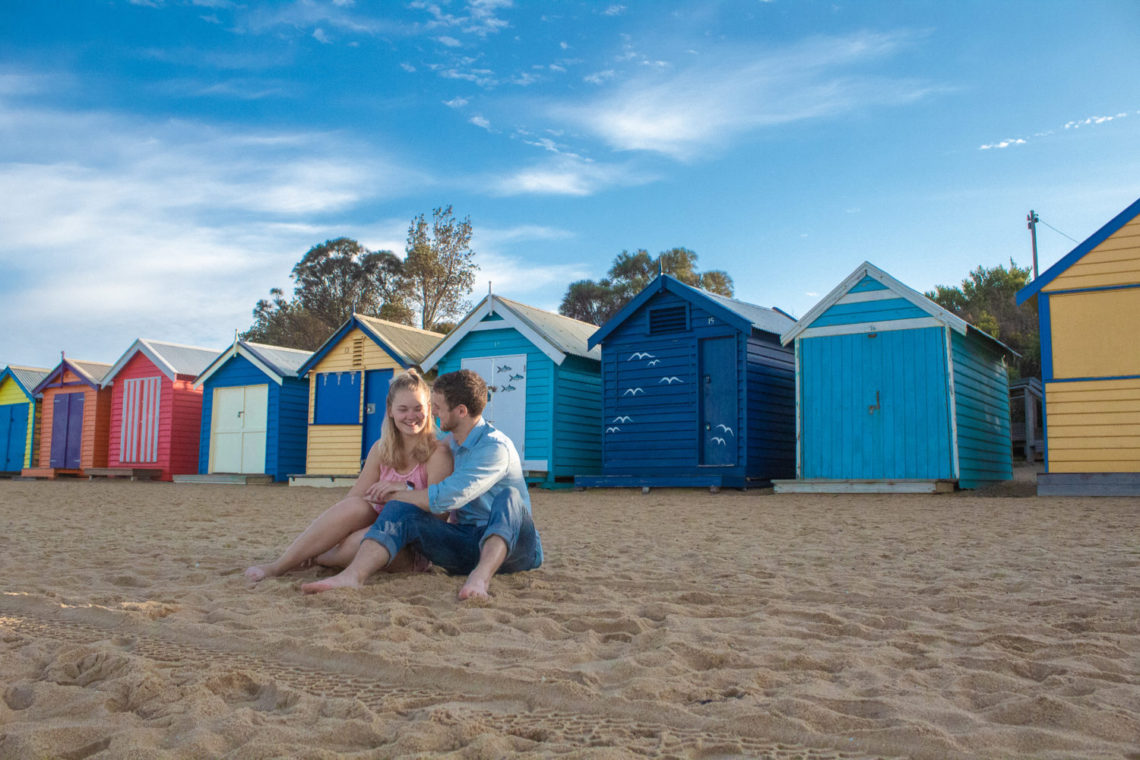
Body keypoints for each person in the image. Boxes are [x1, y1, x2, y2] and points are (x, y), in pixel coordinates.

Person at [301, 368, 543, 600]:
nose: (432, 413)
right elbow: (416, 441)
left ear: (460, 411)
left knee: (508, 498)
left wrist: (400, 491)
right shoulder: (449, 442)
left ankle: (480, 579)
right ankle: (352, 576)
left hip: (514, 549)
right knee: (401, 509)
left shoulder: (495, 448)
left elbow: (450, 496)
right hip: (466, 544)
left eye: (436, 407)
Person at [244, 369, 452, 582]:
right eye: (403, 409)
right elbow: (354, 499)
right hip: (374, 527)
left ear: (428, 409)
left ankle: (320, 558)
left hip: (410, 545)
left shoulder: (438, 454)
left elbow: (439, 517)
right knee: (354, 506)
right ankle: (279, 565)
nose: (411, 416)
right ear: (390, 411)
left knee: (361, 540)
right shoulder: (381, 450)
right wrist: (333, 535)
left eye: (418, 408)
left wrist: (405, 491)